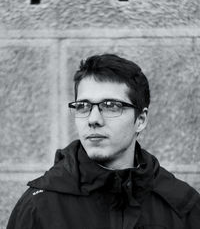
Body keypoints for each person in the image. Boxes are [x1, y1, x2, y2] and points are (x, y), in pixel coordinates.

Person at [7, 54, 200, 229]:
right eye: (83, 106)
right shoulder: (39, 207)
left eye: (111, 106)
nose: (93, 119)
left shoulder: (182, 206)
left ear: (140, 120)